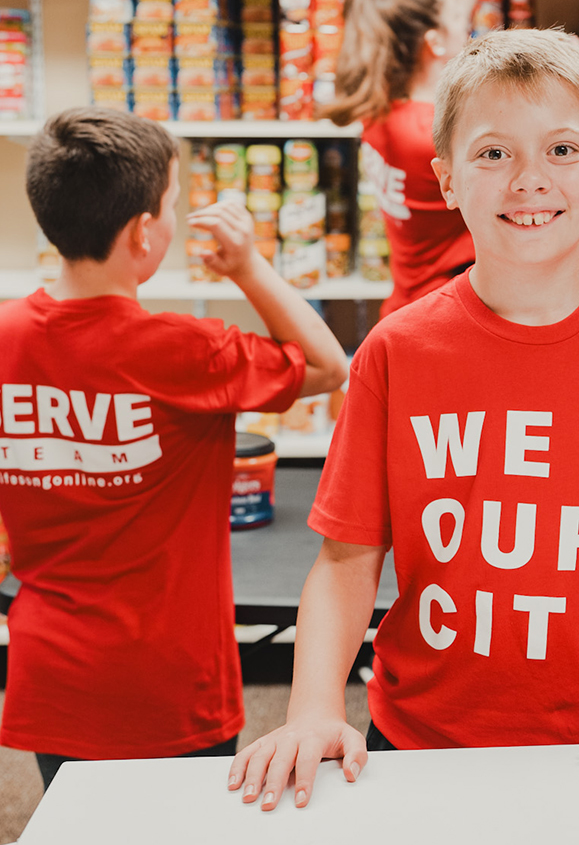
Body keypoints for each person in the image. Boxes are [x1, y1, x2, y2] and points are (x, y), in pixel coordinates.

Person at [229, 27, 579, 811]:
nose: (528, 180)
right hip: (417, 745)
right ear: (444, 179)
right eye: (492, 154)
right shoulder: (395, 351)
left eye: (561, 150)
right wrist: (313, 708)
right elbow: (346, 562)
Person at [0, 107, 348, 789]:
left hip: (52, 671)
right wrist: (248, 267)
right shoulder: (188, 350)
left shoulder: (5, 336)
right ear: (143, 233)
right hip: (169, 683)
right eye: (174, 203)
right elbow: (328, 366)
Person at [325, 0, 579, 319]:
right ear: (434, 42)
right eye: (457, 21)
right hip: (453, 313)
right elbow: (519, 122)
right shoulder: (429, 134)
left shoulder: (380, 112)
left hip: (410, 300)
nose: (467, 29)